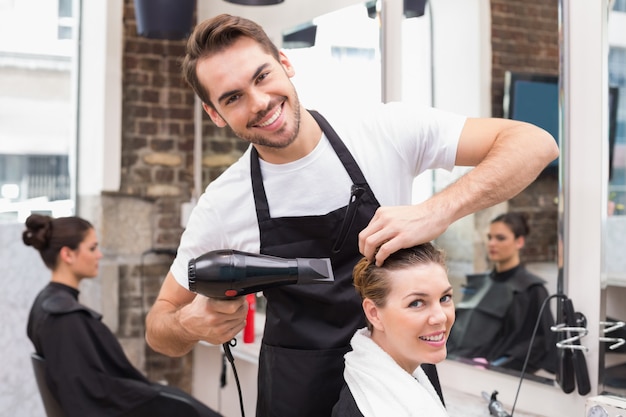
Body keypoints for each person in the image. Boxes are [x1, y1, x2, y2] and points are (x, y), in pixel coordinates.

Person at [144, 14, 559, 417]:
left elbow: (534, 143)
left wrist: (437, 211)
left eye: (262, 76)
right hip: (296, 392)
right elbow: (158, 327)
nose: (259, 102)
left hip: (393, 390)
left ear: (286, 63)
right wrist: (189, 325)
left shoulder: (382, 131)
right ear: (215, 115)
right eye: (232, 97)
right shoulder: (224, 203)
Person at [23, 214, 222, 417]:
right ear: (68, 255)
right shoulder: (65, 318)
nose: (99, 255)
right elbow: (90, 399)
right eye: (92, 248)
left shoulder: (45, 304)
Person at [332, 243, 453, 417]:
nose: (440, 317)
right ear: (374, 314)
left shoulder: (416, 372)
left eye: (445, 298)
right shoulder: (362, 409)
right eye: (416, 303)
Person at [447, 212, 558, 374]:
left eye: (500, 238)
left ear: (519, 242)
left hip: (495, 377)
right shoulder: (478, 283)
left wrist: (496, 364)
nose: (491, 243)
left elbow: (539, 344)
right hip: (455, 365)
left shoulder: (531, 289)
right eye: (489, 237)